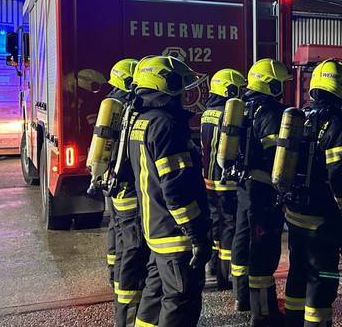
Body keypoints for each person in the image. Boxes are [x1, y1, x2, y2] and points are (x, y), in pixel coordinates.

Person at [128, 56, 211, 327]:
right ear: (167, 85)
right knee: (180, 301)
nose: (185, 93)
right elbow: (176, 190)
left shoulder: (142, 120)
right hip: (176, 236)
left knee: (153, 299)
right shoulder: (167, 125)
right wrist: (197, 235)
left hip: (156, 231)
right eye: (181, 84)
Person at [282, 60, 342, 327]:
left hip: (295, 214)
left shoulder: (301, 117)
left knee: (298, 270)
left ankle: (293, 321)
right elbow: (340, 178)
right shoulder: (336, 124)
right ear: (340, 88)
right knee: (321, 279)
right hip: (321, 219)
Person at [230, 58, 291, 327]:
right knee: (263, 252)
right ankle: (264, 313)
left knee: (243, 240)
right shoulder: (271, 113)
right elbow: (277, 156)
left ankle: (242, 297)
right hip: (264, 191)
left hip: (244, 187)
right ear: (271, 84)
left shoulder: (240, 108)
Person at [101, 58, 152, 327]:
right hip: (129, 190)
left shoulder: (111, 106)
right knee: (133, 249)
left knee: (120, 240)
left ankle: (116, 281)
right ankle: (128, 315)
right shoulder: (129, 109)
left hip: (114, 188)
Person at [200, 68, 247, 290]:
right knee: (230, 224)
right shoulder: (229, 115)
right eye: (239, 89)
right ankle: (225, 275)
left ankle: (212, 264)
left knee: (214, 222)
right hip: (226, 180)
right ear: (229, 90)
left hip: (208, 179)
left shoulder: (207, 113)